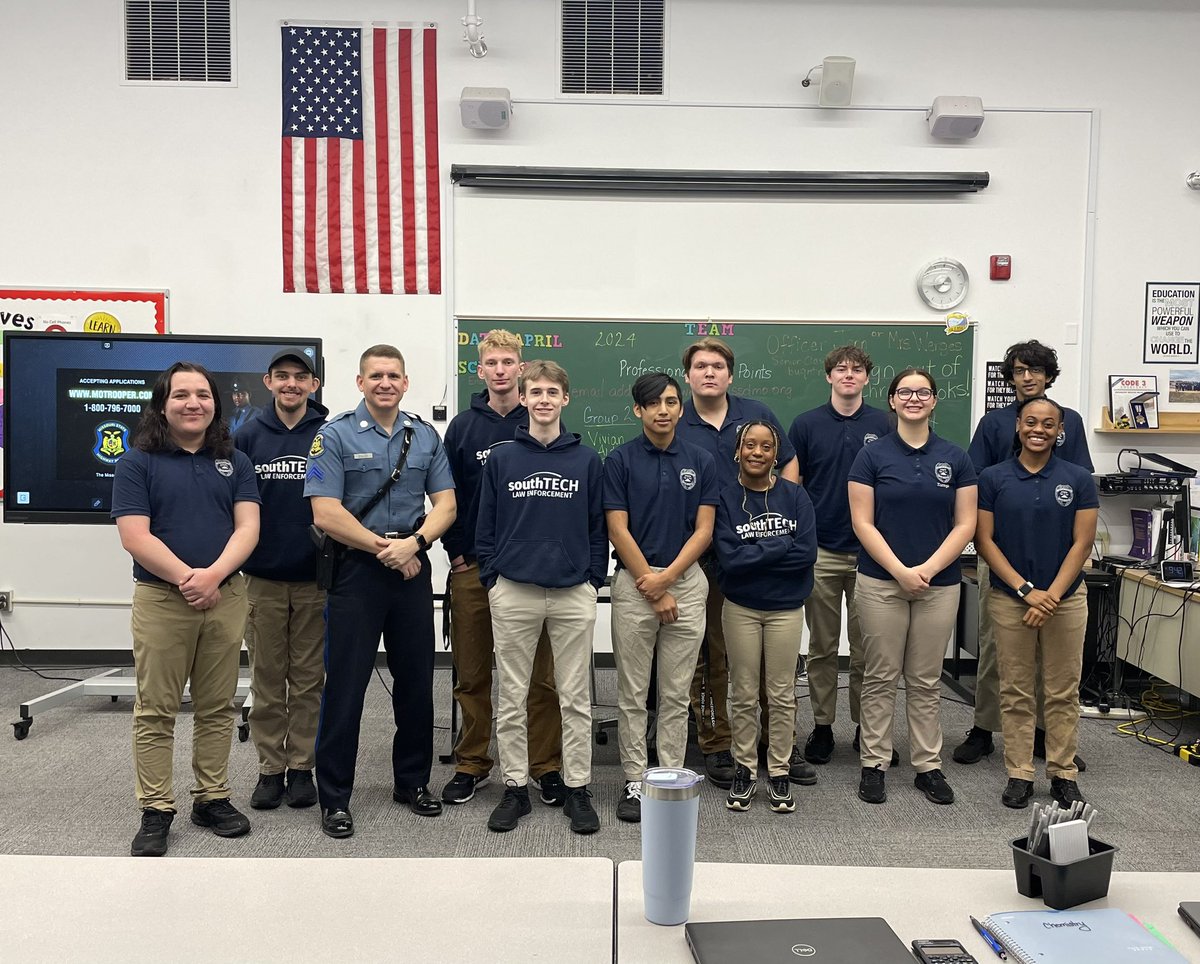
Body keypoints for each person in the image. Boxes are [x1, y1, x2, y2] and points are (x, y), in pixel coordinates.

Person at [303, 345, 456, 839]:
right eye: (376, 376)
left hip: (411, 570)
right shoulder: (335, 435)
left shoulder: (425, 435)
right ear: (360, 382)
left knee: (416, 684)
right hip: (356, 574)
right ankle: (334, 798)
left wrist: (413, 544)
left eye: (394, 375)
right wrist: (383, 548)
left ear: (406, 383)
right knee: (345, 687)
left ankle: (412, 783)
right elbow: (325, 513)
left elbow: (446, 505)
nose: (385, 383)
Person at [112, 361, 261, 857]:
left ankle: (212, 798)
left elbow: (248, 529)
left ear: (215, 404)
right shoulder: (138, 461)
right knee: (156, 710)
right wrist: (188, 579)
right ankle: (156, 809)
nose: (192, 403)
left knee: (218, 706)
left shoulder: (234, 461)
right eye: (181, 395)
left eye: (202, 394)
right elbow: (135, 535)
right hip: (162, 599)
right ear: (163, 404)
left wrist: (214, 577)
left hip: (226, 594)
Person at [476, 360, 607, 835]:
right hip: (514, 590)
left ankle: (577, 788)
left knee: (575, 697)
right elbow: (484, 524)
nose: (545, 399)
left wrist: (593, 577)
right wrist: (492, 575)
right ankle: (515, 788)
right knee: (512, 696)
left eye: (554, 392)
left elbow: (598, 527)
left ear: (565, 400)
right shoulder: (503, 459)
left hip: (573, 592)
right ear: (525, 398)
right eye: (537, 392)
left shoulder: (587, 460)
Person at [674, 336, 808, 789]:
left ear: (730, 375)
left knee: (774, 663)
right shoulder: (678, 420)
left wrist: (779, 510)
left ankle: (778, 744)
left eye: (717, 366)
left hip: (762, 548)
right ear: (688, 375)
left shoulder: (757, 415)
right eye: (700, 366)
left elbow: (787, 464)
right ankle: (717, 743)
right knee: (714, 657)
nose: (709, 373)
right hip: (704, 557)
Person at [953, 340, 1094, 769]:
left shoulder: (1068, 421)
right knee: (997, 647)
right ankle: (984, 728)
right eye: (1018, 370)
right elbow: (977, 483)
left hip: (1057, 556)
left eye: (1035, 370)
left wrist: (1052, 586)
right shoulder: (994, 423)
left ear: (1049, 375)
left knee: (1050, 654)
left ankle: (1044, 736)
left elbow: (1078, 484)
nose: (1027, 376)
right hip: (1001, 555)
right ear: (1010, 377)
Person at [440, 329, 566, 808]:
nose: (499, 369)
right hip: (472, 566)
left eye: (508, 361)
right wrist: (455, 551)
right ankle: (472, 763)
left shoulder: (540, 418)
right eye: (490, 361)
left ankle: (545, 766)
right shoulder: (462, 428)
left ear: (521, 368)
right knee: (472, 673)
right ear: (480, 369)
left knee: (540, 676)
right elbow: (445, 494)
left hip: (531, 574)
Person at [848, 369, 977, 806]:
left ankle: (928, 766)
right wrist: (901, 570)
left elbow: (966, 523)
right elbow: (862, 522)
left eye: (923, 392)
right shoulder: (871, 456)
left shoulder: (956, 457)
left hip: (939, 585)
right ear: (892, 400)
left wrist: (927, 569)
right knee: (880, 676)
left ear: (935, 400)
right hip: (881, 581)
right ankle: (874, 764)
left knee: (924, 679)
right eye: (906, 392)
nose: (914, 398)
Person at [604, 372, 718, 823]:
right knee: (633, 693)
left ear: (681, 407)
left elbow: (704, 529)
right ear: (638, 410)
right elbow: (617, 528)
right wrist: (650, 584)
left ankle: (668, 774)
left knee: (676, 692)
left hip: (686, 584)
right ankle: (635, 779)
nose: (664, 410)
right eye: (654, 404)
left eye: (671, 401)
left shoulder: (702, 459)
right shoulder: (620, 460)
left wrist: (667, 579)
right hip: (635, 586)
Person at [975, 396, 1097, 809]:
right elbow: (984, 540)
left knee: (1063, 690)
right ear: (1018, 426)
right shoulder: (993, 478)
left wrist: (1052, 596)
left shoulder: (1079, 478)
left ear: (1059, 430)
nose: (1038, 429)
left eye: (1048, 423)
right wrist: (1027, 591)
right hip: (1011, 599)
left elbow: (1083, 543)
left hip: (1065, 598)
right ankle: (1020, 773)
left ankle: (1063, 772)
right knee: (1016, 690)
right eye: (1031, 422)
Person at [788, 346, 893, 766]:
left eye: (857, 369)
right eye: (840, 369)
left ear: (868, 378)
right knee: (823, 647)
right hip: (823, 551)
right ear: (828, 376)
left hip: (873, 555)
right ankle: (824, 726)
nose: (848, 375)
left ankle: (867, 728)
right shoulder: (806, 424)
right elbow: (793, 488)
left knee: (869, 649)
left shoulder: (886, 424)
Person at [234, 348, 327, 811]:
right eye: (282, 377)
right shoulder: (247, 437)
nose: (291, 384)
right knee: (269, 679)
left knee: (309, 678)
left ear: (314, 385)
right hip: (263, 579)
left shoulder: (328, 436)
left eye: (300, 377)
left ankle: (302, 768)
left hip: (316, 579)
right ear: (267, 382)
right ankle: (270, 769)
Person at [714, 421, 817, 814]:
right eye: (750, 446)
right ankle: (744, 768)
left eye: (767, 447)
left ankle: (779, 770)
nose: (758, 452)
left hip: (786, 610)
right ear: (738, 452)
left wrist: (756, 551)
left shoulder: (796, 497)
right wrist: (778, 546)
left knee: (780, 694)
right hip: (740, 607)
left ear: (777, 454)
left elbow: (805, 554)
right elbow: (730, 560)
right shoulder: (724, 499)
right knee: (742, 692)